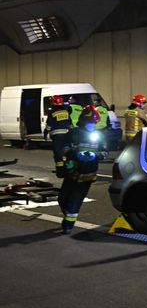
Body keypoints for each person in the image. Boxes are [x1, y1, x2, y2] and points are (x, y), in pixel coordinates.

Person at [58, 105, 107, 234]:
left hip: (88, 174)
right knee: (62, 198)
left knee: (75, 200)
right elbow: (64, 148)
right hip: (72, 171)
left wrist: (95, 155)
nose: (92, 125)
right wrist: (75, 154)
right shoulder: (74, 133)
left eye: (94, 123)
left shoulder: (99, 135)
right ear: (83, 121)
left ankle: (68, 225)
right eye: (90, 122)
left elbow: (105, 152)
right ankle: (67, 214)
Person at [44, 95, 72, 178]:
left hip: (57, 136)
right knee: (67, 152)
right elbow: (70, 124)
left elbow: (50, 125)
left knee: (58, 153)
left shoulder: (52, 112)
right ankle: (69, 168)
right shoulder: (65, 111)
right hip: (67, 135)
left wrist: (45, 133)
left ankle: (60, 171)